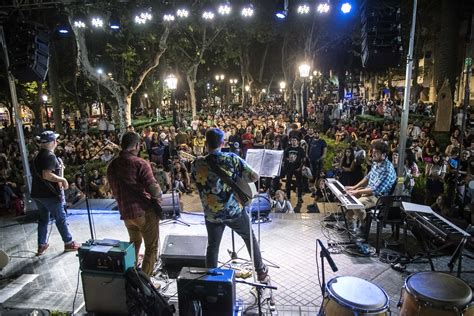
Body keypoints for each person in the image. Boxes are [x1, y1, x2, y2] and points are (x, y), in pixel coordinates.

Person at [191, 128, 268, 282]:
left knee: (212, 246)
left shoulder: (197, 163)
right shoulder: (231, 159)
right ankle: (260, 271)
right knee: (249, 238)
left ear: (206, 144)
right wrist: (237, 177)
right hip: (234, 211)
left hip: (212, 214)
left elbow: (196, 182)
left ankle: (211, 281)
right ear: (222, 142)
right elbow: (254, 176)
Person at [107, 132, 163, 277]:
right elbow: (154, 190)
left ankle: (130, 277)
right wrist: (160, 195)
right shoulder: (140, 163)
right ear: (137, 145)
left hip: (126, 214)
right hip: (143, 211)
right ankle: (144, 285)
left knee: (134, 243)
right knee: (151, 248)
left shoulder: (112, 165)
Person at [30, 131, 80, 256]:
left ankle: (41, 245)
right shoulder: (49, 156)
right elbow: (47, 175)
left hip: (38, 194)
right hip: (49, 195)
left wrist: (61, 171)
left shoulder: (37, 156)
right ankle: (68, 243)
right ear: (53, 142)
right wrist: (62, 179)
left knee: (43, 219)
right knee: (60, 218)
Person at [345, 141, 396, 232]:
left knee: (356, 204)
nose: (373, 154)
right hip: (368, 191)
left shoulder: (387, 169)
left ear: (383, 155)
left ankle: (364, 225)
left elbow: (375, 190)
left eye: (376, 153)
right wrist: (354, 188)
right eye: (373, 152)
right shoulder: (376, 163)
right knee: (348, 198)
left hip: (378, 197)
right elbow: (367, 178)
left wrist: (357, 192)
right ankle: (350, 227)